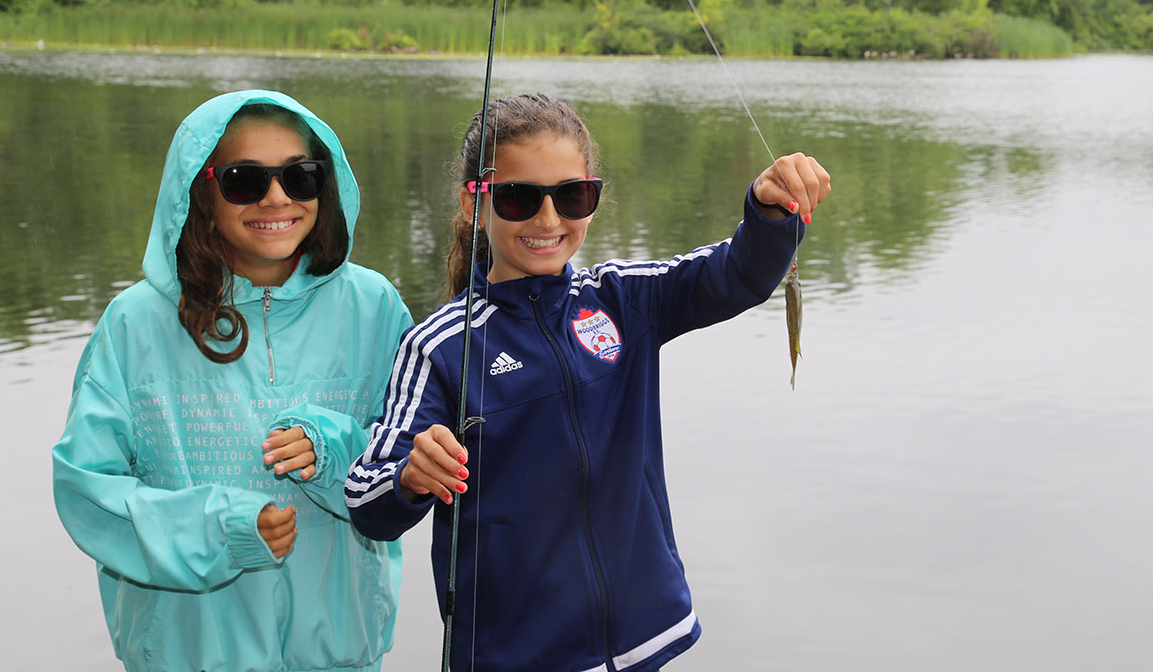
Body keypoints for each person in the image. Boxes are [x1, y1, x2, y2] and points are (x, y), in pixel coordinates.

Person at [345, 92, 830, 672]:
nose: (548, 220)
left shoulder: (624, 299)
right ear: (475, 202)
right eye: (519, 198)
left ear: (593, 197)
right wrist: (411, 477)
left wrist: (770, 211)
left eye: (572, 196)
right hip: (515, 657)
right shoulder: (441, 347)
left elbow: (736, 275)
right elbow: (366, 499)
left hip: (646, 639)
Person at [52, 90, 414, 672]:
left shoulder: (374, 306)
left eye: (301, 177)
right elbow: (85, 489)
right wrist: (219, 531)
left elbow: (405, 460)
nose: (277, 197)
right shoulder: (136, 322)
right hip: (188, 655)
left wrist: (333, 451)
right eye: (246, 180)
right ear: (200, 193)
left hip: (340, 653)